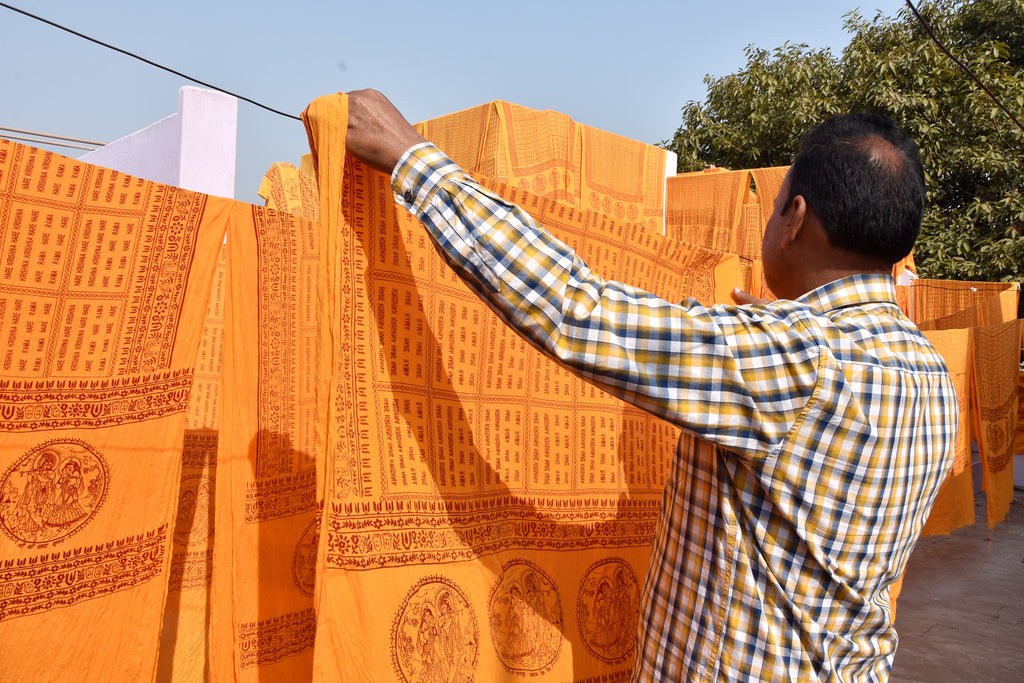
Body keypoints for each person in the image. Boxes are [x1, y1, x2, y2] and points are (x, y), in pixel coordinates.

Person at [342, 89, 957, 682]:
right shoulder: (929, 373)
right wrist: (760, 336)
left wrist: (412, 160)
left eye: (774, 208)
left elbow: (578, 310)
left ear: (795, 218)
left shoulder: (793, 361)